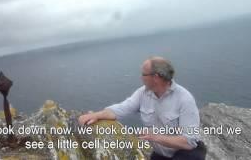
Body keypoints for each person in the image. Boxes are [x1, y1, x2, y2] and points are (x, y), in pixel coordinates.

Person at [78, 56, 206, 160]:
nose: (140, 78)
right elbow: (121, 109)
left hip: (187, 154)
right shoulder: (143, 93)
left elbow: (189, 142)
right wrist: (96, 115)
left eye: (143, 74)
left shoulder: (184, 99)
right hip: (162, 154)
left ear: (155, 77)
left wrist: (155, 137)